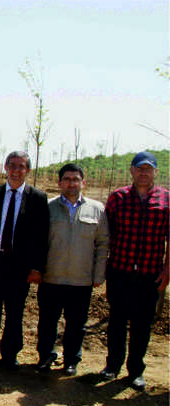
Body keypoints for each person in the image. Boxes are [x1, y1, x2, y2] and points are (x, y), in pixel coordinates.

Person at [0, 150, 49, 371]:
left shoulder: (37, 198)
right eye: (12, 165)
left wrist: (36, 267)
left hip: (19, 264)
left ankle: (10, 353)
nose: (16, 170)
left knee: (15, 311)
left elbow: (41, 236)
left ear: (28, 170)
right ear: (5, 168)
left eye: (21, 166)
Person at [101, 151, 169, 390]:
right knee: (117, 321)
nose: (143, 173)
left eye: (148, 169)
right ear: (131, 170)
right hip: (120, 271)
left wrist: (167, 270)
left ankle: (136, 371)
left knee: (142, 325)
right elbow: (105, 235)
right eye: (139, 168)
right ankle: (112, 365)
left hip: (150, 275)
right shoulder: (118, 198)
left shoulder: (166, 200)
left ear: (155, 172)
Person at [35, 163, 109, 376]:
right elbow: (38, 241)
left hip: (81, 280)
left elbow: (102, 243)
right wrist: (37, 270)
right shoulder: (48, 207)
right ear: (59, 183)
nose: (71, 183)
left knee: (77, 324)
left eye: (75, 179)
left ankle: (71, 361)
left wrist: (99, 274)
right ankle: (45, 356)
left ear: (83, 182)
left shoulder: (97, 209)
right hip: (51, 277)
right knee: (47, 322)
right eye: (67, 179)